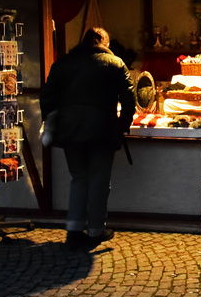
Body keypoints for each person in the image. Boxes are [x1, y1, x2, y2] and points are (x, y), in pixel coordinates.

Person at [40, 28, 137, 250]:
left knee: (79, 178)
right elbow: (129, 99)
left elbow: (47, 97)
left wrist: (52, 123)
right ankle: (95, 230)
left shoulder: (63, 63)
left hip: (70, 131)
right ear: (104, 41)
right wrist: (122, 125)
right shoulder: (115, 63)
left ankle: (73, 230)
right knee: (99, 181)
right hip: (102, 130)